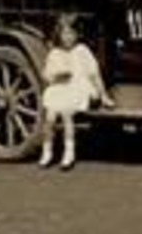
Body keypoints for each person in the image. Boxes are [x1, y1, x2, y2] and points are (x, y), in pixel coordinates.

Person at [39, 13, 115, 170]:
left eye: (71, 34)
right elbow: (47, 76)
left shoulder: (82, 51)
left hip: (79, 88)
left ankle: (69, 151)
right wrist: (56, 76)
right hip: (60, 88)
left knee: (67, 113)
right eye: (64, 34)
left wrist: (103, 95)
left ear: (77, 35)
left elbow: (94, 75)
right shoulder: (55, 53)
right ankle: (47, 151)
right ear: (59, 35)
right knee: (50, 116)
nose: (67, 38)